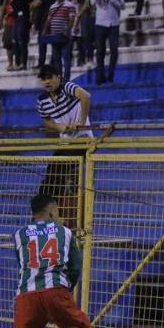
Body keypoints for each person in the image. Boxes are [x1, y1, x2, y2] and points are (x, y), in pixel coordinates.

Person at [9, 194, 98, 328]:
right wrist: (67, 288)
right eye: (57, 211)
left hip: (27, 292)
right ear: (50, 211)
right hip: (56, 289)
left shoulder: (19, 234)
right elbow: (75, 266)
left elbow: (22, 262)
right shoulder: (65, 232)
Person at [36, 65, 92, 229]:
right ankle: (51, 216)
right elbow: (46, 120)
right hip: (65, 142)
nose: (47, 81)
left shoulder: (67, 87)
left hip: (82, 139)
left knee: (56, 170)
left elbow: (86, 97)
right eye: (44, 78)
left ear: (59, 77)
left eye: (50, 77)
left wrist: (81, 123)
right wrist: (60, 127)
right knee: (50, 179)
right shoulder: (41, 100)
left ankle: (52, 216)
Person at [75, 0, 124, 85]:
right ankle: (100, 75)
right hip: (100, 24)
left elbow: (122, 6)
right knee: (100, 51)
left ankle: (110, 75)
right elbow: (92, 3)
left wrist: (114, 0)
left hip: (114, 24)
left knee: (114, 51)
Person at [42, 0, 79, 79]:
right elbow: (49, 20)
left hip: (64, 36)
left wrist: (68, 30)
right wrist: (44, 30)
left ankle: (66, 79)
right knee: (56, 59)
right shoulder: (52, 7)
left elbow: (71, 18)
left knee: (66, 58)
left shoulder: (69, 5)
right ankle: (60, 78)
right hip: (55, 36)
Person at [8, 0, 36, 72]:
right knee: (15, 41)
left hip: (24, 19)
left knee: (22, 41)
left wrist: (31, 18)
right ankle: (17, 63)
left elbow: (32, 6)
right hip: (16, 20)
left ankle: (23, 63)